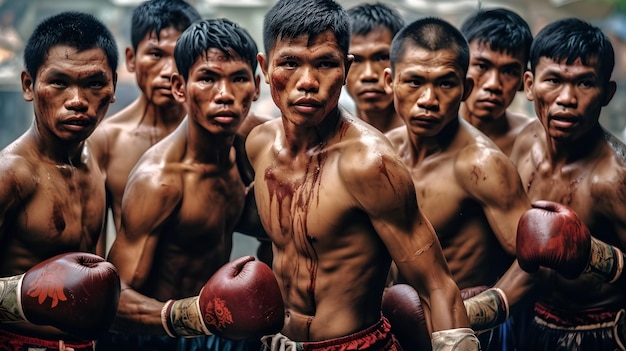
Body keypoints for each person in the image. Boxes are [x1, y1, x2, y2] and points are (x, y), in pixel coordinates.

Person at [247, 0, 481, 349]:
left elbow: (436, 285)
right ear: (265, 68)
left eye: (325, 63)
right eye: (290, 63)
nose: (307, 82)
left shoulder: (369, 164)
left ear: (346, 67)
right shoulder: (259, 145)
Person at [98, 18, 284, 351]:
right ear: (180, 88)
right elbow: (111, 301)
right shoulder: (160, 182)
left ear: (256, 86)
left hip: (223, 328)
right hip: (157, 336)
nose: (224, 95)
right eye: (208, 79)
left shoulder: (252, 145)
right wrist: (193, 315)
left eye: (238, 78)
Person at [382, 16, 531, 350]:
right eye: (415, 82)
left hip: (468, 332)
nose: (428, 99)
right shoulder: (382, 152)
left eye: (445, 84)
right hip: (396, 324)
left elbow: (536, 260)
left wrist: (478, 311)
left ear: (466, 88)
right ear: (390, 81)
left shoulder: (482, 164)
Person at [0, 11, 121, 350]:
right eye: (59, 82)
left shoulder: (94, 162)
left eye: (94, 83)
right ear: (29, 85)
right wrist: (28, 297)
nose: (78, 101)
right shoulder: (12, 174)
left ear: (113, 87)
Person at [508, 17, 626, 349]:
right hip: (532, 317)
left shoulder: (614, 177)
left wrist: (595, 256)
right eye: (554, 80)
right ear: (529, 84)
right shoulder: (525, 141)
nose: (567, 98)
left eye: (585, 83)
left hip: (601, 329)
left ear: (607, 93)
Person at [89, 0, 201, 255]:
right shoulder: (105, 141)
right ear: (131, 59)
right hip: (130, 292)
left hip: (206, 293)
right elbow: (92, 254)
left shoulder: (213, 134)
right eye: (156, 54)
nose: (168, 71)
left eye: (179, 56)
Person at [459, 8, 533, 156]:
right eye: (482, 66)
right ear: (459, 67)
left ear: (524, 82)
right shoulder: (428, 131)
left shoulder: (533, 141)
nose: (493, 84)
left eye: (509, 71)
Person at [344, 2, 405, 133]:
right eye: (356, 60)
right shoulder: (330, 140)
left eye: (382, 57)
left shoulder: (428, 142)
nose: (368, 74)